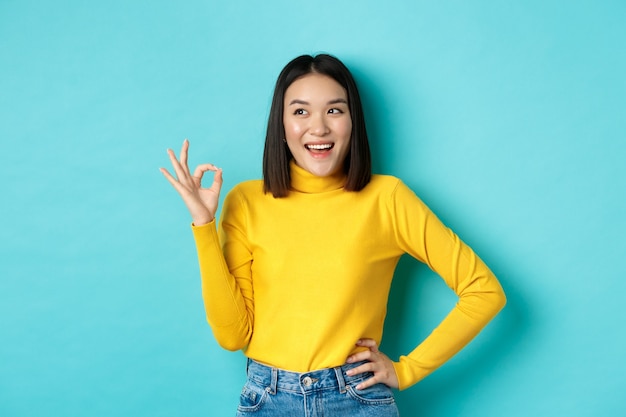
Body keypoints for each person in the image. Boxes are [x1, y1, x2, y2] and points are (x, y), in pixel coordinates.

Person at [160, 54, 506, 416]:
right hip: (268, 399)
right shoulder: (246, 202)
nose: (319, 127)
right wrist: (203, 224)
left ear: (352, 121)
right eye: (300, 112)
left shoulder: (387, 199)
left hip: (355, 399)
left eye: (335, 111)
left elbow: (483, 290)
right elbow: (233, 336)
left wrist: (407, 370)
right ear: (280, 125)